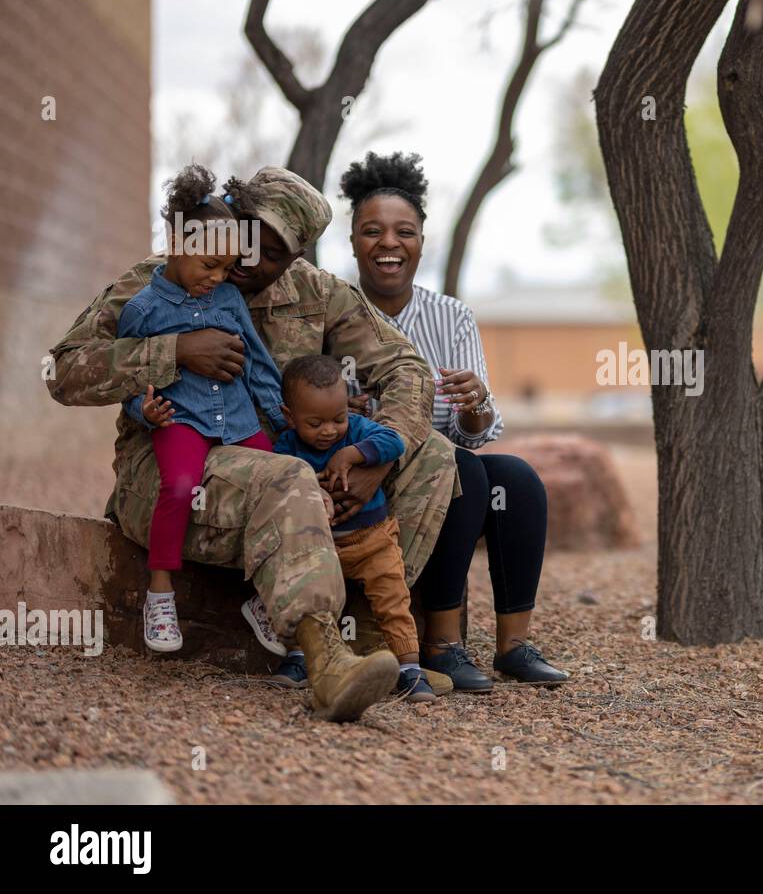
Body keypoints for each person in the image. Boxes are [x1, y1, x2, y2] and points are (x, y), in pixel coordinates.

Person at [45, 165, 458, 721]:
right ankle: (326, 663)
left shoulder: (316, 292)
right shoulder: (159, 281)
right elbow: (62, 372)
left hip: (276, 463)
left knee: (432, 453)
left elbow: (408, 368)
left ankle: (362, 635)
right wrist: (175, 351)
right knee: (287, 476)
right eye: (243, 240)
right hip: (175, 476)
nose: (244, 262)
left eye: (269, 254)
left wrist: (373, 464)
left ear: (296, 257)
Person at [334, 150, 569, 691]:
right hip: (367, 472)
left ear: (421, 241)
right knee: (464, 469)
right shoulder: (335, 313)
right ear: (352, 241)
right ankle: (442, 644)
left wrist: (475, 403)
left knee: (517, 478)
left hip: (452, 467)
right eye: (372, 231)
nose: (389, 243)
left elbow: (479, 430)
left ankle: (512, 645)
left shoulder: (451, 316)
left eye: (405, 232)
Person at [119, 165, 286, 653]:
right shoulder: (143, 309)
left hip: (236, 419)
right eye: (209, 264)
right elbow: (128, 376)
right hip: (182, 420)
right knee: (179, 485)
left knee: (283, 479)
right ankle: (161, 592)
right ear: (176, 243)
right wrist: (141, 411)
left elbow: (255, 361)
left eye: (226, 266)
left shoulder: (230, 298)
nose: (218, 277)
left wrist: (279, 416)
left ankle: (261, 599)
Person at [269, 354, 438, 703]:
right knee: (313, 599)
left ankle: (409, 668)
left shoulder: (358, 430)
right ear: (289, 416)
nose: (329, 430)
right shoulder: (287, 445)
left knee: (393, 601)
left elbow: (395, 442)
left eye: (338, 418)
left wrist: (353, 454)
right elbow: (277, 476)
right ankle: (302, 658)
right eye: (315, 423)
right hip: (321, 546)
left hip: (373, 540)